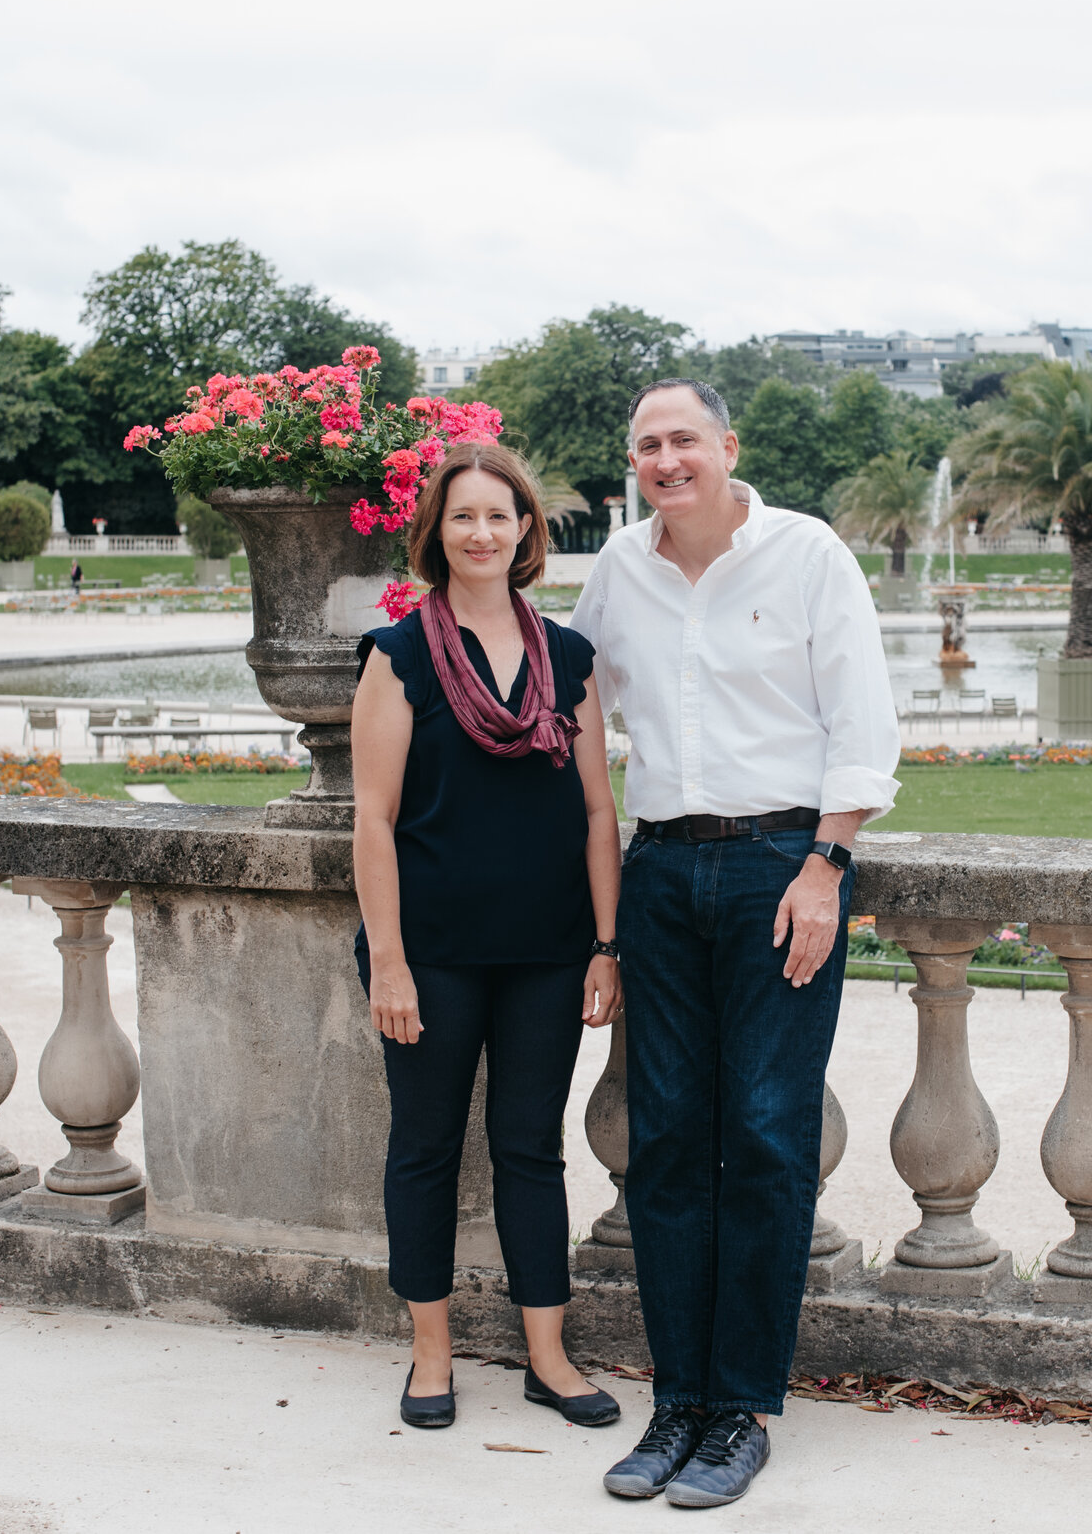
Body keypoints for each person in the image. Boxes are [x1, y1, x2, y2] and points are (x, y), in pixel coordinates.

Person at [571, 378, 899, 1508]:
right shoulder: (617, 567)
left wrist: (826, 866)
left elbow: (861, 721)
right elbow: (562, 705)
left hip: (776, 869)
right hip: (660, 870)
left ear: (726, 448)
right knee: (664, 1140)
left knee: (762, 1136)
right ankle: (679, 1403)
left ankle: (743, 1408)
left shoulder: (805, 554)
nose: (667, 460)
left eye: (684, 441)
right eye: (648, 444)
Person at [350, 441, 626, 1435]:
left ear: (525, 532)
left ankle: (547, 1355)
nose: (482, 532)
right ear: (438, 532)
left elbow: (599, 811)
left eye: (499, 516)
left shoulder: (571, 660)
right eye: (463, 515)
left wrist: (605, 945)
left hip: (549, 950)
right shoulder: (400, 657)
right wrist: (387, 959)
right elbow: (372, 820)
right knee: (424, 1149)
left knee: (531, 1150)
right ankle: (431, 1352)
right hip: (429, 954)